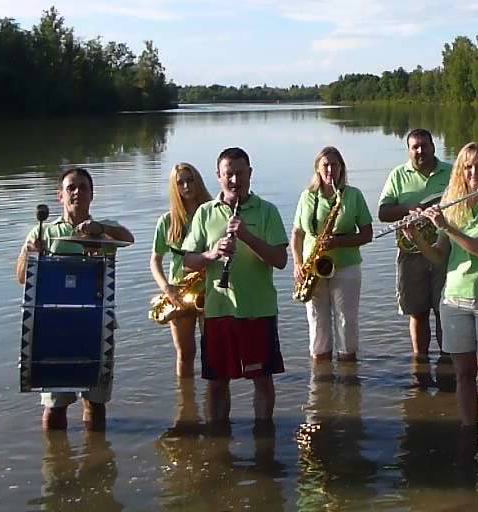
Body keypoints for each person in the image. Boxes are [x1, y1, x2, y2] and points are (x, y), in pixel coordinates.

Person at [405, 143, 478, 430]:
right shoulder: (454, 205)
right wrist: (416, 237)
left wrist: (447, 226)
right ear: (460, 172)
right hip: (455, 299)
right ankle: (468, 431)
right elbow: (439, 256)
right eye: (467, 168)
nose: (473, 173)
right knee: (463, 374)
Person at [15, 167, 135, 431]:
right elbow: (22, 277)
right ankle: (56, 464)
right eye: (71, 188)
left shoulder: (105, 231)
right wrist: (31, 254)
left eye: (83, 187)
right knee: (54, 406)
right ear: (60, 196)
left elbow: (129, 238)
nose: (77, 192)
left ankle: (97, 458)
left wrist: (99, 229)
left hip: (96, 324)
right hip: (55, 328)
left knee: (95, 402)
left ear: (92, 195)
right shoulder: (42, 232)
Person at [181, 147, 290, 424]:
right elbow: (188, 261)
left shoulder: (267, 211)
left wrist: (247, 237)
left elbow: (279, 260)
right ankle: (218, 439)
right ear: (218, 176)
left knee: (262, 379)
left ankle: (264, 436)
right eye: (229, 174)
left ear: (250, 174)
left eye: (240, 173)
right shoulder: (205, 213)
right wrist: (212, 254)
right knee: (217, 382)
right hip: (218, 311)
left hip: (258, 309)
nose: (234, 180)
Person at [291, 146, 374, 362]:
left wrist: (338, 242)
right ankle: (321, 369)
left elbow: (367, 234)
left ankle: (348, 371)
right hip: (313, 268)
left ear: (341, 168)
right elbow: (297, 234)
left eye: (334, 165)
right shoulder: (307, 196)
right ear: (317, 169)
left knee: (346, 320)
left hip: (346, 266)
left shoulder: (353, 195)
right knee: (316, 320)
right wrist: (298, 264)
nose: (330, 170)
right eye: (325, 165)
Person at [377, 128, 453, 360]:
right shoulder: (398, 175)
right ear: (409, 151)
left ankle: (446, 360)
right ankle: (420, 362)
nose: (420, 151)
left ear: (433, 146)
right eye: (415, 147)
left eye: (424, 146)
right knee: (417, 313)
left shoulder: (451, 172)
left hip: (445, 251)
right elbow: (383, 212)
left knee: (445, 311)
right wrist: (408, 210)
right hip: (411, 254)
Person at [150, 163, 213, 378]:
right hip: (180, 293)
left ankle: (211, 405)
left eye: (190, 179)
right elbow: (155, 260)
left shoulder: (213, 213)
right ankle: (186, 406)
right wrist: (166, 287)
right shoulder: (167, 221)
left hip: (211, 291)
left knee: (213, 353)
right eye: (180, 182)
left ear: (198, 181)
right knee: (185, 354)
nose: (186, 186)